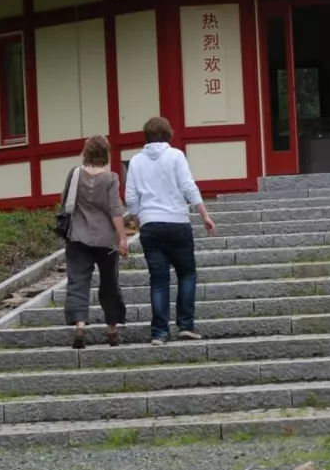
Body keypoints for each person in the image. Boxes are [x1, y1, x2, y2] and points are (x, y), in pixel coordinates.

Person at [124, 116, 216, 345]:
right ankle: (185, 325)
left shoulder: (135, 161)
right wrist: (204, 215)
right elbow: (188, 186)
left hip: (150, 225)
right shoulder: (176, 156)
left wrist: (138, 218)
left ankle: (159, 332)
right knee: (187, 273)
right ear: (168, 134)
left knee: (159, 280)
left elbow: (131, 196)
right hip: (177, 222)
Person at [61, 135, 129, 350]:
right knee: (109, 283)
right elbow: (115, 210)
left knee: (78, 282)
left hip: (77, 238)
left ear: (86, 152)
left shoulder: (74, 174)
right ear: (106, 153)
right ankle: (111, 331)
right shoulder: (111, 178)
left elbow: (65, 202)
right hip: (105, 239)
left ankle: (80, 326)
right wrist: (123, 238)